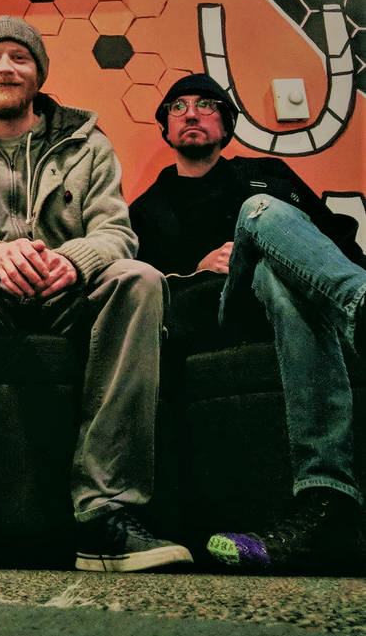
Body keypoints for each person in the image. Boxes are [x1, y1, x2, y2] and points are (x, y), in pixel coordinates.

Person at [0, 15, 192, 572]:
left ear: (39, 74)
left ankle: (106, 512)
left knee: (139, 277)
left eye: (19, 58)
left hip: (67, 300)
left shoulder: (88, 145)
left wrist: (74, 260)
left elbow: (117, 234)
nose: (5, 68)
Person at [129, 72, 366, 573]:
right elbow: (143, 297)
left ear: (228, 124)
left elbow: (337, 239)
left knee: (276, 274)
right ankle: (358, 304)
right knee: (258, 212)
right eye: (178, 107)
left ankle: (327, 500)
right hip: (220, 311)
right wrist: (196, 268)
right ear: (166, 129)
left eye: (206, 104)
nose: (191, 113)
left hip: (286, 300)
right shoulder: (147, 210)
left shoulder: (267, 173)